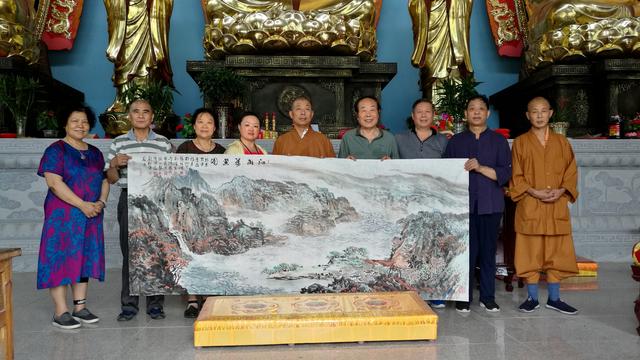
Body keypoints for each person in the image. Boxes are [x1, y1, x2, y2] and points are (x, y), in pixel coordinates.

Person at [37, 105, 109, 329]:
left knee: (84, 259)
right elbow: (54, 183)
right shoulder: (55, 150)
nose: (81, 125)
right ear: (65, 124)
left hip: (91, 215)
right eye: (75, 121)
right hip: (63, 216)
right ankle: (61, 312)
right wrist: (82, 204)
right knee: (59, 259)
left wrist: (100, 202)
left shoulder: (95, 153)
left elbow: (105, 179)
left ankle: (80, 307)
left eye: (85, 122)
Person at [510, 96, 580, 315]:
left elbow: (571, 172)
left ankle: (554, 298)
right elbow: (516, 175)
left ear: (550, 113)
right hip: (531, 203)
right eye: (534, 111)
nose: (539, 115)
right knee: (529, 251)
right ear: (527, 115)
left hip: (556, 204)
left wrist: (561, 190)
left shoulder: (562, 142)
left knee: (556, 251)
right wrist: (533, 191)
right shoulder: (520, 142)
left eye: (543, 111)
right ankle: (531, 298)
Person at [106, 99, 173, 321]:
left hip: (156, 201)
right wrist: (114, 164)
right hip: (129, 198)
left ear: (152, 117)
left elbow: (172, 174)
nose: (141, 115)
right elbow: (112, 179)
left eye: (146, 111)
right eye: (136, 111)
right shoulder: (119, 143)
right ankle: (129, 304)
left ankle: (155, 304)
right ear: (129, 116)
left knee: (156, 251)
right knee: (130, 252)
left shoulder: (163, 143)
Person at [443, 95, 512, 313]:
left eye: (481, 108)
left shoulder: (499, 142)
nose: (476, 112)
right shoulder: (455, 142)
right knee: (465, 252)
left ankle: (488, 297)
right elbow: (446, 173)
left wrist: (480, 167)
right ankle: (463, 297)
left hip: (491, 204)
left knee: (488, 251)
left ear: (487, 113)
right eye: (471, 108)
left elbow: (505, 173)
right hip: (463, 206)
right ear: (465, 114)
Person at [396, 98, 448, 309]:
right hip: (408, 204)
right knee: (409, 245)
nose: (424, 115)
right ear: (413, 115)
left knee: (433, 246)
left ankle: (435, 291)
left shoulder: (444, 142)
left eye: (428, 111)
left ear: (433, 115)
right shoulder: (398, 140)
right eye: (419, 112)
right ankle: (410, 289)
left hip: (435, 204)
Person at [176, 108, 225, 317]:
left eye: (209, 122)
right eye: (200, 122)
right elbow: (176, 177)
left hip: (212, 210)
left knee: (211, 250)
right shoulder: (185, 147)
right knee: (192, 250)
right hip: (189, 209)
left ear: (215, 127)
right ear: (194, 126)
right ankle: (193, 299)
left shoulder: (222, 152)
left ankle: (209, 295)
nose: (204, 126)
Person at [104, 0, 174, 113]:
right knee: (124, 61)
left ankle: (151, 104)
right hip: (126, 19)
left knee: (149, 62)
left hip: (149, 19)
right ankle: (124, 102)